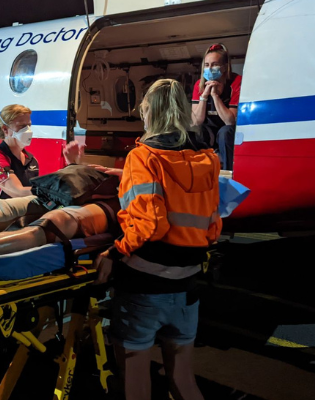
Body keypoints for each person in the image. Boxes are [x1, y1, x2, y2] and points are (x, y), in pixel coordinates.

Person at [97, 78, 220, 400]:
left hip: (146, 284)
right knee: (183, 379)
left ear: (149, 111)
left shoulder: (144, 157)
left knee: (135, 380)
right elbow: (209, 223)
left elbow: (151, 225)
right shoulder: (208, 158)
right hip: (188, 283)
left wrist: (114, 251)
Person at [0, 104, 39, 209]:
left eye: (29, 125)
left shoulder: (32, 160)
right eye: (22, 126)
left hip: (18, 216)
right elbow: (17, 191)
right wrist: (50, 192)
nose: (28, 130)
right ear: (5, 130)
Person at [191, 43, 240, 170]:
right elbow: (196, 121)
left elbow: (230, 121)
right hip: (209, 131)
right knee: (196, 132)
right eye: (207, 65)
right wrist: (205, 95)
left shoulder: (236, 82)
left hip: (228, 132)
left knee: (225, 132)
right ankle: (198, 171)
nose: (210, 69)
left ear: (224, 67)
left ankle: (228, 173)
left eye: (214, 65)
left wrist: (215, 96)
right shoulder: (199, 85)